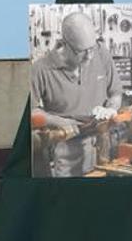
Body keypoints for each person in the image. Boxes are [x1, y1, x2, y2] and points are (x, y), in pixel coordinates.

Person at [30, 11, 124, 177]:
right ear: (64, 43)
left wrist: (111, 108)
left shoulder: (101, 53)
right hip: (68, 146)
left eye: (92, 48)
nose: (90, 55)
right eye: (82, 51)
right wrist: (59, 121)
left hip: (103, 140)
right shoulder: (41, 69)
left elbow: (115, 93)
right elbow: (31, 111)